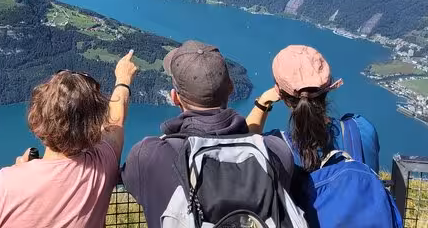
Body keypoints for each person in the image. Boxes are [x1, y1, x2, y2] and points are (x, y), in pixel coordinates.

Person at [121, 41, 300, 228]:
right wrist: (262, 104)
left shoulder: (150, 156)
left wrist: (123, 83)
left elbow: (124, 178)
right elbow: (244, 143)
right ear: (231, 89)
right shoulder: (276, 152)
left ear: (174, 97)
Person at [0, 50, 139, 228]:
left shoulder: (2, 186)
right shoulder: (102, 166)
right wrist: (123, 80)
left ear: (38, 116)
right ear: (93, 124)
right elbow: (115, 121)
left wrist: (20, 172)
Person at [246, 44, 380, 173]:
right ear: (327, 88)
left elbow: (244, 146)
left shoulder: (276, 147)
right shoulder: (361, 128)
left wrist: (262, 103)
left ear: (281, 95)